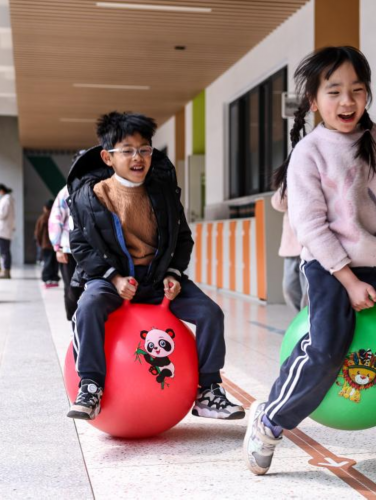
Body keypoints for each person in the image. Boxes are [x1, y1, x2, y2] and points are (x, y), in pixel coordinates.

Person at [243, 47, 376, 475]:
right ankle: (269, 421)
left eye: (357, 90)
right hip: (329, 267)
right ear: (314, 100)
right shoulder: (309, 152)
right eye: (334, 91)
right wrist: (348, 280)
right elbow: (310, 225)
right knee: (325, 351)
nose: (347, 102)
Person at [66, 111, 244, 421]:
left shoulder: (163, 193)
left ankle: (208, 391)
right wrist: (113, 278)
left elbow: (183, 238)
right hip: (111, 279)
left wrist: (173, 273)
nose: (138, 158)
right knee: (88, 307)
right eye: (127, 150)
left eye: (144, 149)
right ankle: (90, 386)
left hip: (157, 278)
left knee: (210, 313)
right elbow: (80, 246)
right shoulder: (91, 197)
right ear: (108, 157)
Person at [50, 172, 83, 320]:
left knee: (87, 288)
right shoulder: (66, 191)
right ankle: (73, 321)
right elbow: (56, 219)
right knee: (71, 287)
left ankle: (82, 320)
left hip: (92, 249)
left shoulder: (98, 186)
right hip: (68, 249)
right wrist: (57, 247)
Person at [270, 189, 307, 312]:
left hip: (311, 247)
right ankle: (300, 318)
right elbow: (277, 203)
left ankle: (308, 320)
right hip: (291, 248)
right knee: (289, 288)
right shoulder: (289, 181)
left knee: (308, 293)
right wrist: (288, 183)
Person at [35, 198, 60, 288]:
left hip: (46, 245)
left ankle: (46, 278)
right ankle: (54, 278)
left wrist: (39, 242)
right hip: (56, 244)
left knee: (47, 262)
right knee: (55, 262)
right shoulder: (57, 216)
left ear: (45, 207)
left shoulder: (43, 217)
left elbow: (38, 232)